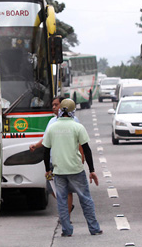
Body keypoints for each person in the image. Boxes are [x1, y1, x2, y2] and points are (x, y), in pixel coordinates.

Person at [42, 98, 102, 237]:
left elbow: (45, 150)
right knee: (85, 198)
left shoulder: (52, 127)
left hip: (59, 170)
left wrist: (48, 170)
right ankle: (94, 228)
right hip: (76, 169)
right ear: (72, 112)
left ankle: (66, 230)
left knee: (62, 201)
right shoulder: (77, 127)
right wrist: (92, 170)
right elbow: (86, 149)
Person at [30, 95, 81, 213]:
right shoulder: (52, 121)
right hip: (53, 161)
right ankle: (67, 207)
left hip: (68, 161)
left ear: (63, 106)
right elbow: (46, 140)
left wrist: (81, 159)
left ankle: (66, 217)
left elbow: (80, 142)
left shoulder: (74, 120)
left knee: (67, 190)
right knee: (51, 188)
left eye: (56, 105)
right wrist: (35, 146)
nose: (53, 107)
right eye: (52, 105)